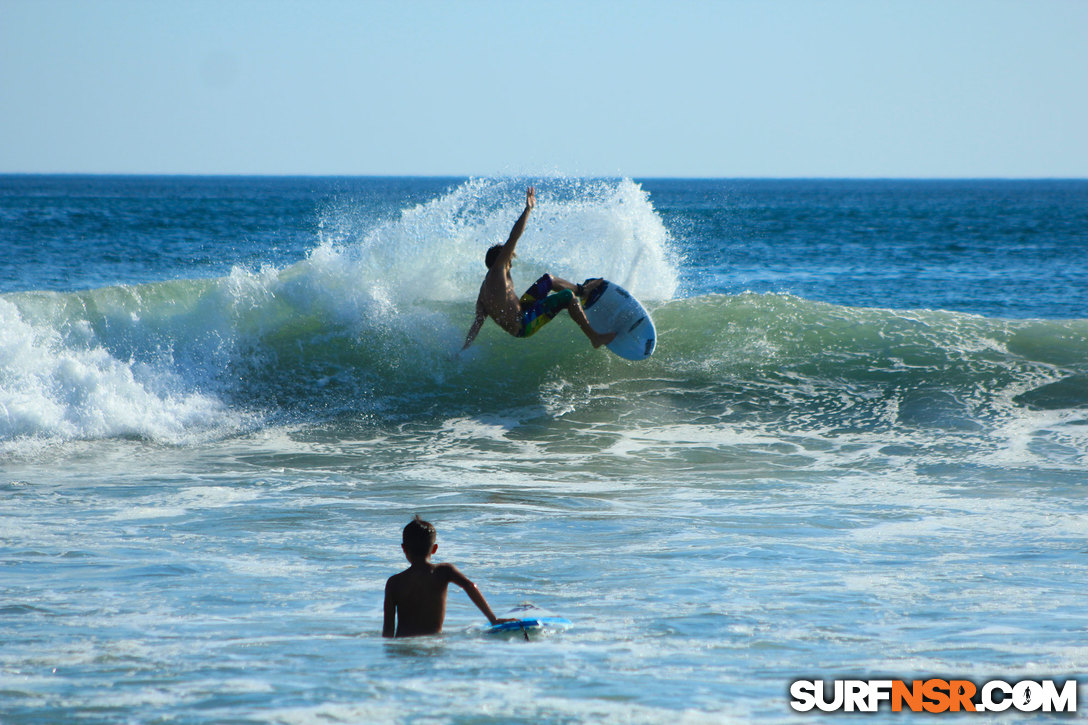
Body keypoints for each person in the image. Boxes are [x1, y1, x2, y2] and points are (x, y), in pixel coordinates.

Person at [461, 187, 616, 352]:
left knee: (548, 279)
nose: (511, 263)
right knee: (567, 297)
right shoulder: (498, 270)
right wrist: (528, 210)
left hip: (523, 308)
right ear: (501, 260)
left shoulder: (484, 290)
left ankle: (583, 290)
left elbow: (478, 322)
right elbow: (514, 236)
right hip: (524, 324)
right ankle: (595, 337)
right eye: (509, 260)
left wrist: (463, 349)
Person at [383, 516, 512, 638]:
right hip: (432, 643)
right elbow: (469, 585)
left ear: (404, 549)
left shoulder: (394, 582)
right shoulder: (443, 572)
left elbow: (388, 630)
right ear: (434, 549)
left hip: (402, 647)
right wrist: (492, 619)